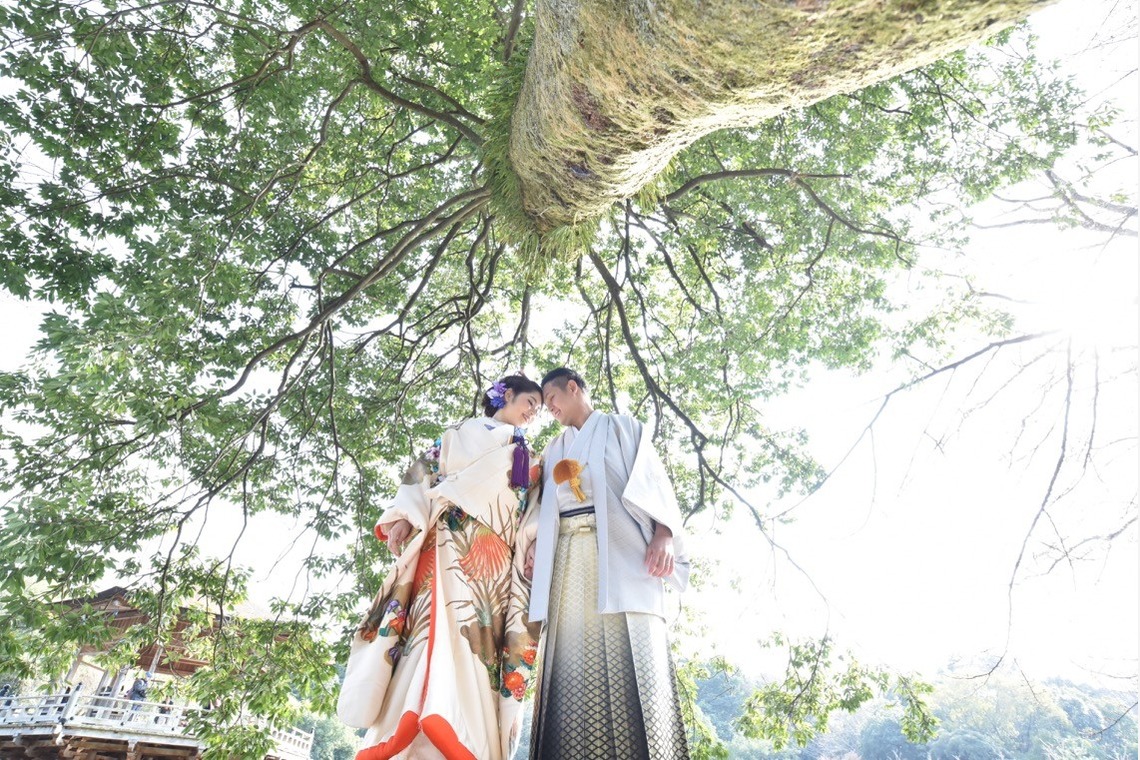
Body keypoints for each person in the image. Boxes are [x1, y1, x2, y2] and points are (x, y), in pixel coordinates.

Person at [339, 374, 545, 760]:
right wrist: (404, 517)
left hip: (492, 562)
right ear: (507, 394)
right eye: (530, 402)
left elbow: (533, 509)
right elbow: (421, 477)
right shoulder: (455, 434)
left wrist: (532, 543)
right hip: (442, 541)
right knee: (427, 629)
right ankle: (406, 732)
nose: (534, 412)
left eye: (538, 409)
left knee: (476, 639)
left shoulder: (528, 454)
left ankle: (469, 738)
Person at [525, 367, 691, 759]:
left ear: (573, 387)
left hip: (620, 551)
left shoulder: (623, 428)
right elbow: (539, 507)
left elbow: (654, 482)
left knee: (632, 652)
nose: (549, 408)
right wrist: (533, 543)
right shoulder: (554, 448)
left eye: (552, 399)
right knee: (571, 651)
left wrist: (664, 533)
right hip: (567, 556)